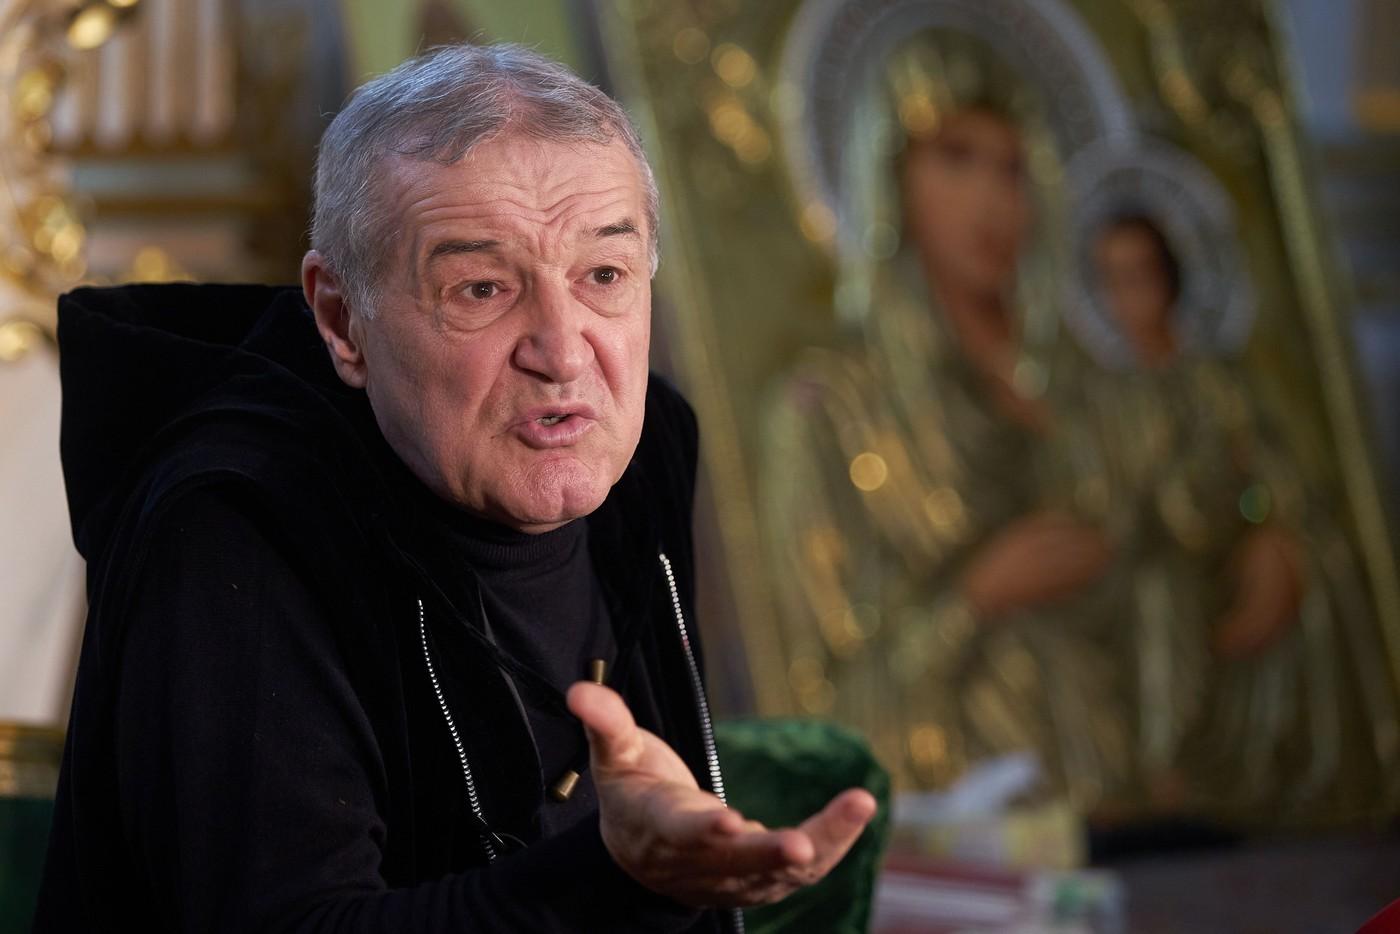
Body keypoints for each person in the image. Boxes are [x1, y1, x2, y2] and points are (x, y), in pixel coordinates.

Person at [34, 43, 875, 932]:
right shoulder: (234, 529)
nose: (563, 352)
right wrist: (615, 881)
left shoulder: (644, 450)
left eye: (603, 276)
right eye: (482, 288)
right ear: (342, 320)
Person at [761, 33, 1129, 808]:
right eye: (955, 158)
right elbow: (823, 700)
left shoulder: (1093, 394)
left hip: (1140, 795)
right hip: (960, 828)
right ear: (891, 174)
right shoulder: (831, 412)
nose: (991, 201)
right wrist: (978, 599)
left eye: (1013, 168)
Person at [1081, 212, 1400, 820]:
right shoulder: (1107, 401)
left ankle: (1224, 770)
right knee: (1155, 588)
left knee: (1300, 565)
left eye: (1140, 275)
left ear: (1170, 280)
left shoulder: (1218, 384)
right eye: (1112, 280)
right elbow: (1108, 505)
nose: (1128, 296)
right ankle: (1161, 769)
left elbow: (1275, 478)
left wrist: (1262, 525)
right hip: (1153, 560)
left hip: (1230, 553)